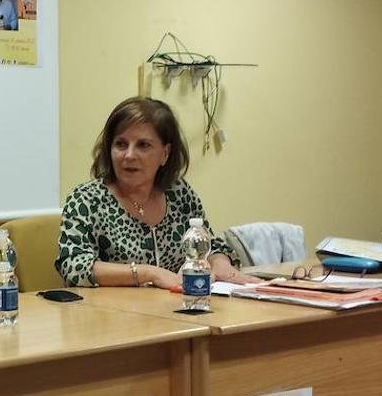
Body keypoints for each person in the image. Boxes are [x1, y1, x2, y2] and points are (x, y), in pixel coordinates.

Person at [56, 97, 260, 289]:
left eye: (143, 145)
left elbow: (209, 244)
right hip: (110, 318)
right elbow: (74, 267)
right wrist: (149, 273)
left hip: (177, 313)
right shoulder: (87, 199)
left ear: (165, 153)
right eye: (121, 144)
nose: (129, 155)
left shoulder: (179, 194)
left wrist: (219, 262)